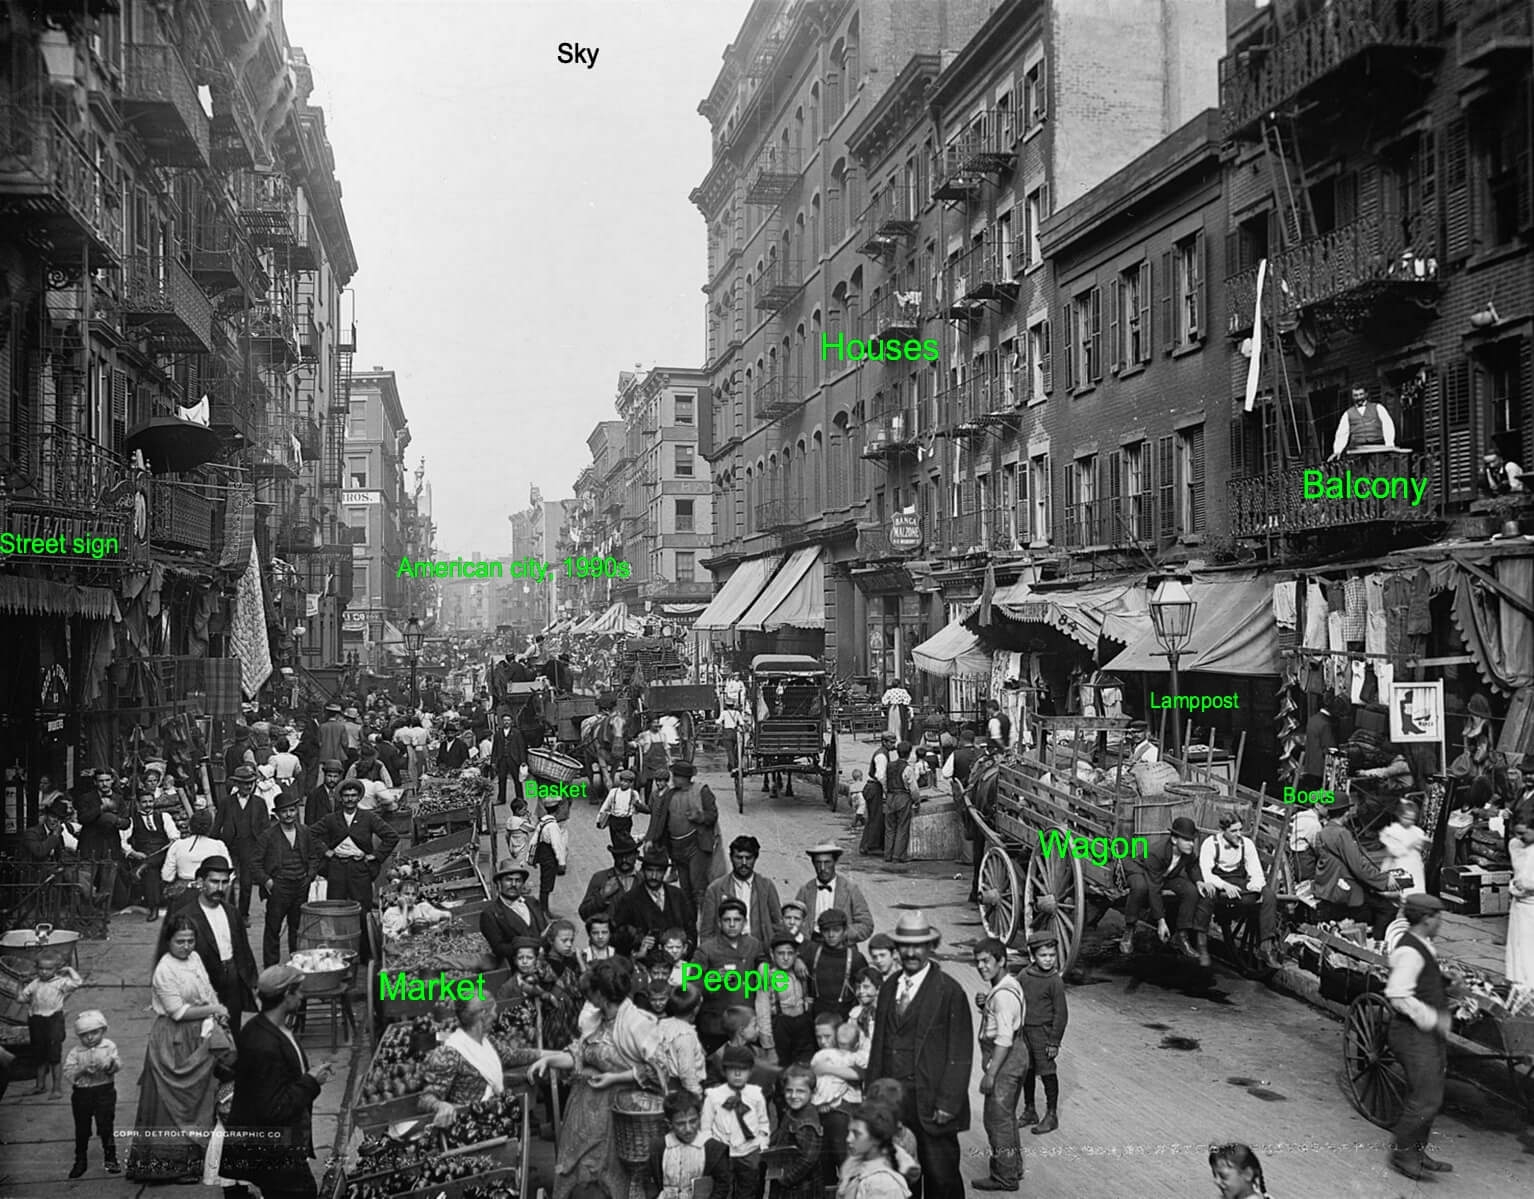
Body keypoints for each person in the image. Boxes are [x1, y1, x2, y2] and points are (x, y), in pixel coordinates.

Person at [528, 958, 667, 1199]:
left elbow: (659, 1069)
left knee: (612, 1173)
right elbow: (580, 1053)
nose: (587, 998)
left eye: (590, 993)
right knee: (577, 1167)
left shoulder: (637, 1024)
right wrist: (549, 1060)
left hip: (620, 1114)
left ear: (602, 994)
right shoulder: (596, 1019)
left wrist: (615, 1078)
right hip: (584, 1111)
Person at [865, 911, 971, 1199]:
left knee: (941, 1177)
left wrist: (948, 1103)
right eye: (905, 946)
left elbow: (960, 1053)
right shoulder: (888, 987)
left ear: (930, 948)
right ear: (897, 949)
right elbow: (878, 1046)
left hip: (933, 1103)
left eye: (918, 946)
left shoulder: (949, 991)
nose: (911, 952)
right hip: (895, 1102)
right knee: (900, 1174)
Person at [125, 914, 227, 1182]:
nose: (186, 946)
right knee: (173, 1102)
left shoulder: (194, 959)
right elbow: (178, 1012)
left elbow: (206, 988)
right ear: (168, 941)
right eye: (180, 941)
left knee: (198, 1097)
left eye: (191, 940)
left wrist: (217, 1012)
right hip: (174, 1039)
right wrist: (214, 1009)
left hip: (199, 1032)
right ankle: (169, 1165)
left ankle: (193, 1161)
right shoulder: (164, 970)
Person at [221, 965, 337, 1199]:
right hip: (275, 1153)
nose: (302, 997)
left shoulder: (266, 1027)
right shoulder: (264, 1044)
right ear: (286, 996)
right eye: (299, 992)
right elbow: (273, 1107)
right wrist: (312, 1081)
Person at [1384, 893, 1454, 1181]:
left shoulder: (1424, 945)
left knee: (1432, 1095)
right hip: (1411, 1033)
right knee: (1425, 1098)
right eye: (1439, 917)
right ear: (1427, 919)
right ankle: (1402, 1153)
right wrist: (1432, 1017)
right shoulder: (1410, 951)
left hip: (1426, 1034)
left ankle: (1417, 1151)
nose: (1441, 923)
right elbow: (1397, 995)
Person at [165, 855, 259, 1026]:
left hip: (232, 983)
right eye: (214, 882)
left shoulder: (232, 912)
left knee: (233, 1032)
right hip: (203, 986)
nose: (220, 888)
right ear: (201, 882)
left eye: (224, 882)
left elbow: (243, 949)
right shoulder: (185, 916)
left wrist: (251, 981)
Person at [419, 994, 540, 1120]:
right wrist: (440, 1106)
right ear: (483, 1014)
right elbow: (425, 1098)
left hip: (496, 1119)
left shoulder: (488, 1041)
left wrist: (551, 1055)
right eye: (493, 1011)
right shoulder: (449, 1053)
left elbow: (511, 1056)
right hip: (470, 1125)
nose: (495, 1016)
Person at [972, 937, 1026, 1191]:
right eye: (978, 962)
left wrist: (991, 1074)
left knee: (996, 1120)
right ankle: (1013, 1167)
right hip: (1016, 1056)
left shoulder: (1003, 996)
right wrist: (986, 1006)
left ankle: (1005, 1177)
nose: (982, 966)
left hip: (1005, 1060)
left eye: (987, 961)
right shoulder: (1008, 984)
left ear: (1002, 960)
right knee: (1007, 1118)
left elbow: (1004, 1039)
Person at [1197, 813, 1283, 969]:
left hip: (1239, 880)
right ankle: (1202, 945)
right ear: (1223, 831)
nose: (1238, 835)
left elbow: (1256, 871)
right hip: (1218, 880)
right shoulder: (1210, 844)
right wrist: (1224, 886)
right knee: (1207, 896)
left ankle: (1266, 946)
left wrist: (1255, 886)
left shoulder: (1247, 844)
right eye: (1233, 831)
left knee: (1269, 895)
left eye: (1240, 830)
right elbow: (1206, 873)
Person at [1313, 789, 1401, 938]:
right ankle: (1377, 946)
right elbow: (1359, 867)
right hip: (1343, 889)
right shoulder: (1341, 834)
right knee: (1388, 910)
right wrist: (1385, 881)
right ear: (1346, 812)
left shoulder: (1323, 832)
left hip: (1329, 886)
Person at [1120, 816, 1207, 963]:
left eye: (1192, 840)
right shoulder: (1157, 853)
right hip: (1141, 870)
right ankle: (1129, 928)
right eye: (1186, 840)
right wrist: (1161, 921)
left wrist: (1198, 881)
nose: (1191, 844)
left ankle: (1181, 935)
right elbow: (1155, 889)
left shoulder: (1187, 852)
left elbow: (1192, 866)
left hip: (1165, 874)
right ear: (1174, 840)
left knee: (1191, 890)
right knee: (1140, 887)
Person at [308, 777, 400, 913]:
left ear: (359, 798)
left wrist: (375, 856)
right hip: (336, 868)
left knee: (362, 908)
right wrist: (325, 851)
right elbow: (310, 834)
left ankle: (363, 934)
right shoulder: (331, 818)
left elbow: (392, 836)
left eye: (353, 795)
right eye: (346, 796)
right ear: (340, 798)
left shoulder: (369, 818)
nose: (350, 799)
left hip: (360, 868)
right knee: (336, 907)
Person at [254, 791, 324, 966]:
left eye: (292, 810)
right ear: (277, 814)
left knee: (297, 927)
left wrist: (309, 876)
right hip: (279, 886)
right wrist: (267, 881)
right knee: (273, 928)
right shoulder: (268, 836)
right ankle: (271, 968)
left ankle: (297, 963)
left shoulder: (305, 831)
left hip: (301, 885)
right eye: (284, 811)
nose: (289, 815)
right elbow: (254, 864)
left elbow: (315, 857)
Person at [644, 761, 720, 921]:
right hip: (677, 849)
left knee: (698, 888)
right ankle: (690, 925)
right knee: (685, 890)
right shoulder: (670, 794)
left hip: (696, 846)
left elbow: (712, 815)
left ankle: (707, 924)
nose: (673, 779)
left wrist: (699, 817)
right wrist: (651, 839)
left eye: (676, 776)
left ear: (686, 777)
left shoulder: (701, 791)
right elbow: (659, 819)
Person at [696, 897, 768, 1054]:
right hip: (717, 1025)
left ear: (744, 922)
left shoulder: (753, 944)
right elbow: (691, 986)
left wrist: (763, 965)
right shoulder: (706, 949)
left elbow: (762, 959)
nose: (732, 924)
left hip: (746, 1023)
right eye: (727, 920)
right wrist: (712, 979)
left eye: (737, 920)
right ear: (719, 923)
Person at [701, 1043, 770, 1199]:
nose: (738, 1074)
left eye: (743, 1069)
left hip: (749, 1151)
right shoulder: (714, 1096)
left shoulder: (756, 1095)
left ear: (750, 1071)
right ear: (724, 1071)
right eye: (732, 1069)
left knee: (748, 1190)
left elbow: (763, 1122)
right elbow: (705, 1127)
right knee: (723, 1190)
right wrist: (713, 1151)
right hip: (723, 1153)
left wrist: (762, 1145)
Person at [1017, 931, 1067, 1135]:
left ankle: (1051, 1114)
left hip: (1043, 1034)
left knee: (1047, 1072)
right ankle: (1030, 1110)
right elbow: (1014, 997)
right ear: (1033, 956)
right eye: (1043, 955)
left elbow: (1061, 1014)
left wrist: (1054, 1041)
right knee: (1026, 1070)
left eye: (1052, 955)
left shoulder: (1054, 981)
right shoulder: (1024, 976)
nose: (1048, 960)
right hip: (1024, 1032)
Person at [699, 834, 785, 949]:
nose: (744, 863)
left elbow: (778, 925)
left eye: (748, 858)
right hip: (726, 953)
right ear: (731, 858)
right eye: (739, 858)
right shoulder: (715, 889)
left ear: (755, 858)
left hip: (759, 951)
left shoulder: (766, 886)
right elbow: (706, 932)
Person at [64, 1009, 121, 1178]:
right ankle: (80, 1160)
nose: (90, 1038)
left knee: (106, 1126)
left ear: (103, 1030)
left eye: (94, 1033)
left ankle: (111, 1158)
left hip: (104, 1090)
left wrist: (110, 1065)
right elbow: (68, 1072)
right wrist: (81, 1070)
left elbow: (117, 1063)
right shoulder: (76, 1052)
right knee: (82, 1128)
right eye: (84, 1035)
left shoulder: (109, 1046)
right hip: (82, 1094)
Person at [648, 1086, 733, 1199]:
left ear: (699, 1117)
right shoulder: (659, 1147)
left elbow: (722, 1185)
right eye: (680, 1124)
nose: (688, 1129)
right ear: (669, 1124)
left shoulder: (712, 1148)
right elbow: (650, 1181)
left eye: (693, 1121)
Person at [21, 949, 82, 1095]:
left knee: (54, 1056)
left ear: (56, 969)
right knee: (39, 1055)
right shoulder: (35, 984)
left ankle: (56, 1088)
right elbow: (21, 998)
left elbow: (77, 982)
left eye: (49, 969)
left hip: (53, 1020)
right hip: (36, 1020)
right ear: (36, 969)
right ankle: (39, 1085)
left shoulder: (60, 983)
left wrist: (69, 970)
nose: (44, 972)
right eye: (41, 968)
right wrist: (20, 985)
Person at [214, 764, 270, 921]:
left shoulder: (259, 803)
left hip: (250, 847)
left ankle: (244, 914)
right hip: (230, 846)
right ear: (237, 784)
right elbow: (217, 825)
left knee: (246, 883)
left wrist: (265, 847)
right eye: (245, 783)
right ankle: (230, 913)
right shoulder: (226, 802)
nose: (248, 786)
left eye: (251, 783)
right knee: (228, 881)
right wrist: (211, 844)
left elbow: (265, 827)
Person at [795, 844, 874, 946]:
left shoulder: (850, 889)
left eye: (827, 862)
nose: (823, 868)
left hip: (842, 946)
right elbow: (794, 921)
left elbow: (866, 924)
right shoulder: (805, 890)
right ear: (813, 864)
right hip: (813, 945)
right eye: (818, 863)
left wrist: (843, 934)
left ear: (835, 862)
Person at [767, 1062, 824, 1199]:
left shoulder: (808, 1123)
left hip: (799, 1188)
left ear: (812, 1092)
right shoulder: (792, 1111)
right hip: (784, 1176)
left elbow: (808, 1159)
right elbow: (782, 1132)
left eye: (800, 1091)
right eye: (789, 1090)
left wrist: (786, 1179)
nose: (793, 1096)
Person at [615, 843, 693, 944]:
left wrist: (686, 949)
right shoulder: (630, 899)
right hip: (644, 958)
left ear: (665, 872)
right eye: (650, 871)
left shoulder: (678, 895)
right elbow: (618, 934)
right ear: (643, 870)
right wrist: (639, 940)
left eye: (659, 871)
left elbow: (690, 929)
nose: (654, 876)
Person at [758, 934, 815, 1066]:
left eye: (790, 953)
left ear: (796, 955)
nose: (785, 958)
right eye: (781, 953)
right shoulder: (767, 977)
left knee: (804, 1068)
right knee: (781, 1073)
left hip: (803, 1029)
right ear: (772, 954)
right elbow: (762, 1013)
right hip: (780, 1030)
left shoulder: (800, 972)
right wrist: (769, 1047)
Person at [836, 1102, 911, 1199]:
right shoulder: (852, 1168)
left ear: (875, 1139)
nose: (848, 1139)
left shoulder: (882, 1184)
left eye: (856, 1133)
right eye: (849, 1132)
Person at [802, 909, 867, 1020]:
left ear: (845, 931)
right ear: (821, 932)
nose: (831, 935)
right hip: (817, 1018)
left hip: (845, 1018)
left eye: (836, 930)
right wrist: (798, 959)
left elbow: (865, 989)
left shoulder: (856, 958)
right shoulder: (812, 952)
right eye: (826, 930)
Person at [124, 790, 179, 921]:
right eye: (144, 802)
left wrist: (168, 847)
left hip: (164, 853)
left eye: (150, 801)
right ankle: (154, 907)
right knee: (151, 870)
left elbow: (175, 838)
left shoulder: (164, 816)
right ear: (138, 804)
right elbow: (122, 841)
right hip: (143, 854)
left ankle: (144, 866)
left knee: (163, 855)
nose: (148, 805)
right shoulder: (132, 820)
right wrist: (133, 853)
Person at [481, 864, 549, 967]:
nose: (514, 884)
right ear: (499, 883)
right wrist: (533, 947)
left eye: (518, 880)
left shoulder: (532, 902)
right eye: (508, 880)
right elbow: (499, 949)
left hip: (546, 963)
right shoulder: (490, 914)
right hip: (519, 968)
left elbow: (545, 929)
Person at [161, 808, 232, 902]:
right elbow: (229, 876)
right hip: (210, 893)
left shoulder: (178, 845)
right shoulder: (218, 846)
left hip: (183, 893)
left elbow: (166, 876)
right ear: (210, 827)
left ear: (190, 826)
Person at [653, 984, 708, 1096]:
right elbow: (687, 1074)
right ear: (696, 1009)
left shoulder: (664, 1024)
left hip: (664, 1085)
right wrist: (698, 1095)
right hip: (681, 1092)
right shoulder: (685, 1036)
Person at [578, 835, 643, 925]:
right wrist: (602, 896)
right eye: (620, 856)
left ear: (636, 855)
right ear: (613, 856)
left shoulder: (644, 881)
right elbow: (584, 913)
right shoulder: (600, 878)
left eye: (628, 855)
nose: (624, 860)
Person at [1330, 384, 1398, 457]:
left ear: (1366, 394)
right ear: (1352, 397)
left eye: (1361, 394)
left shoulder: (1378, 408)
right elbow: (1342, 434)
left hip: (1378, 447)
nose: (1359, 397)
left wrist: (1389, 445)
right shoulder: (1348, 414)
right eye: (1356, 395)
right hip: (1357, 450)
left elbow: (1388, 426)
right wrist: (1337, 450)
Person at [1379, 799, 1429, 894]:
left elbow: (1423, 844)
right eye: (1406, 818)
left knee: (1416, 886)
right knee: (1402, 888)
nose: (1409, 821)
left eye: (1412, 819)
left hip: (1414, 864)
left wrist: (1424, 844)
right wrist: (1410, 845)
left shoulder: (1417, 831)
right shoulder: (1393, 830)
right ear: (1400, 816)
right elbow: (1393, 851)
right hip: (1399, 863)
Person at [859, 734, 896, 856]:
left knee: (874, 817)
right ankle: (870, 846)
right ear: (884, 742)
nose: (893, 745)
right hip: (875, 787)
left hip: (873, 787)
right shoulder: (881, 755)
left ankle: (867, 845)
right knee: (875, 817)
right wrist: (886, 790)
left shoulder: (883, 753)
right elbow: (881, 776)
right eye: (891, 742)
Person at [883, 742, 919, 865]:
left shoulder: (889, 765)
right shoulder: (908, 768)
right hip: (903, 797)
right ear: (909, 754)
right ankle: (898, 856)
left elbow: (884, 781)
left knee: (889, 828)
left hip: (890, 797)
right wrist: (916, 800)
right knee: (902, 827)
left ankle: (887, 854)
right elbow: (913, 788)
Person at [534, 792, 570, 911]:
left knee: (544, 880)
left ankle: (544, 908)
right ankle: (544, 910)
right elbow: (557, 845)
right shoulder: (553, 825)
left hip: (542, 853)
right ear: (558, 808)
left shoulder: (542, 821)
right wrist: (561, 862)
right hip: (549, 854)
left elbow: (535, 839)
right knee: (547, 884)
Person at [1508, 819, 1534, 986]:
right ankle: (1518, 986)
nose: (1520, 837)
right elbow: (1517, 873)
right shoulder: (1516, 845)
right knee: (1517, 950)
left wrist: (1528, 885)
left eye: (1524, 833)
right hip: (1519, 904)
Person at [381, 878, 452, 939]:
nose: (410, 897)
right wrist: (405, 907)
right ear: (399, 895)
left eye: (413, 894)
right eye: (407, 894)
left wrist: (433, 921)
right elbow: (401, 927)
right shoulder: (391, 912)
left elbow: (447, 915)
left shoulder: (421, 908)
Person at [1299, 695, 1342, 792]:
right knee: (1320, 796)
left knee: (1311, 795)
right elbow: (1330, 748)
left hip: (1310, 765)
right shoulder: (1326, 724)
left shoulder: (1313, 720)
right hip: (1320, 768)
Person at [596, 767, 646, 845]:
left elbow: (637, 810)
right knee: (616, 843)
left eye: (626, 782)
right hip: (614, 821)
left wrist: (633, 808)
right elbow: (605, 806)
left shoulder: (633, 794)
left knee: (624, 842)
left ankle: (636, 840)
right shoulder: (613, 792)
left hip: (626, 821)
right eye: (622, 780)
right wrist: (599, 819)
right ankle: (635, 840)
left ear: (631, 783)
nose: (623, 783)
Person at [492, 711, 528, 806]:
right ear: (502, 722)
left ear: (511, 721)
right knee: (501, 779)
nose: (506, 722)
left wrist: (523, 761)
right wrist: (493, 761)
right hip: (502, 759)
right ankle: (501, 798)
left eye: (508, 720)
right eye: (504, 720)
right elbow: (494, 748)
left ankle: (520, 798)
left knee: (517, 780)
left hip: (513, 759)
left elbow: (521, 747)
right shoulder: (498, 734)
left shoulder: (517, 733)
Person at [305, 760, 345, 825]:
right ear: (324, 775)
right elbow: (309, 819)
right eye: (329, 776)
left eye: (335, 776)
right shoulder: (314, 794)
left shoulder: (343, 794)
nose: (332, 780)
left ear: (339, 777)